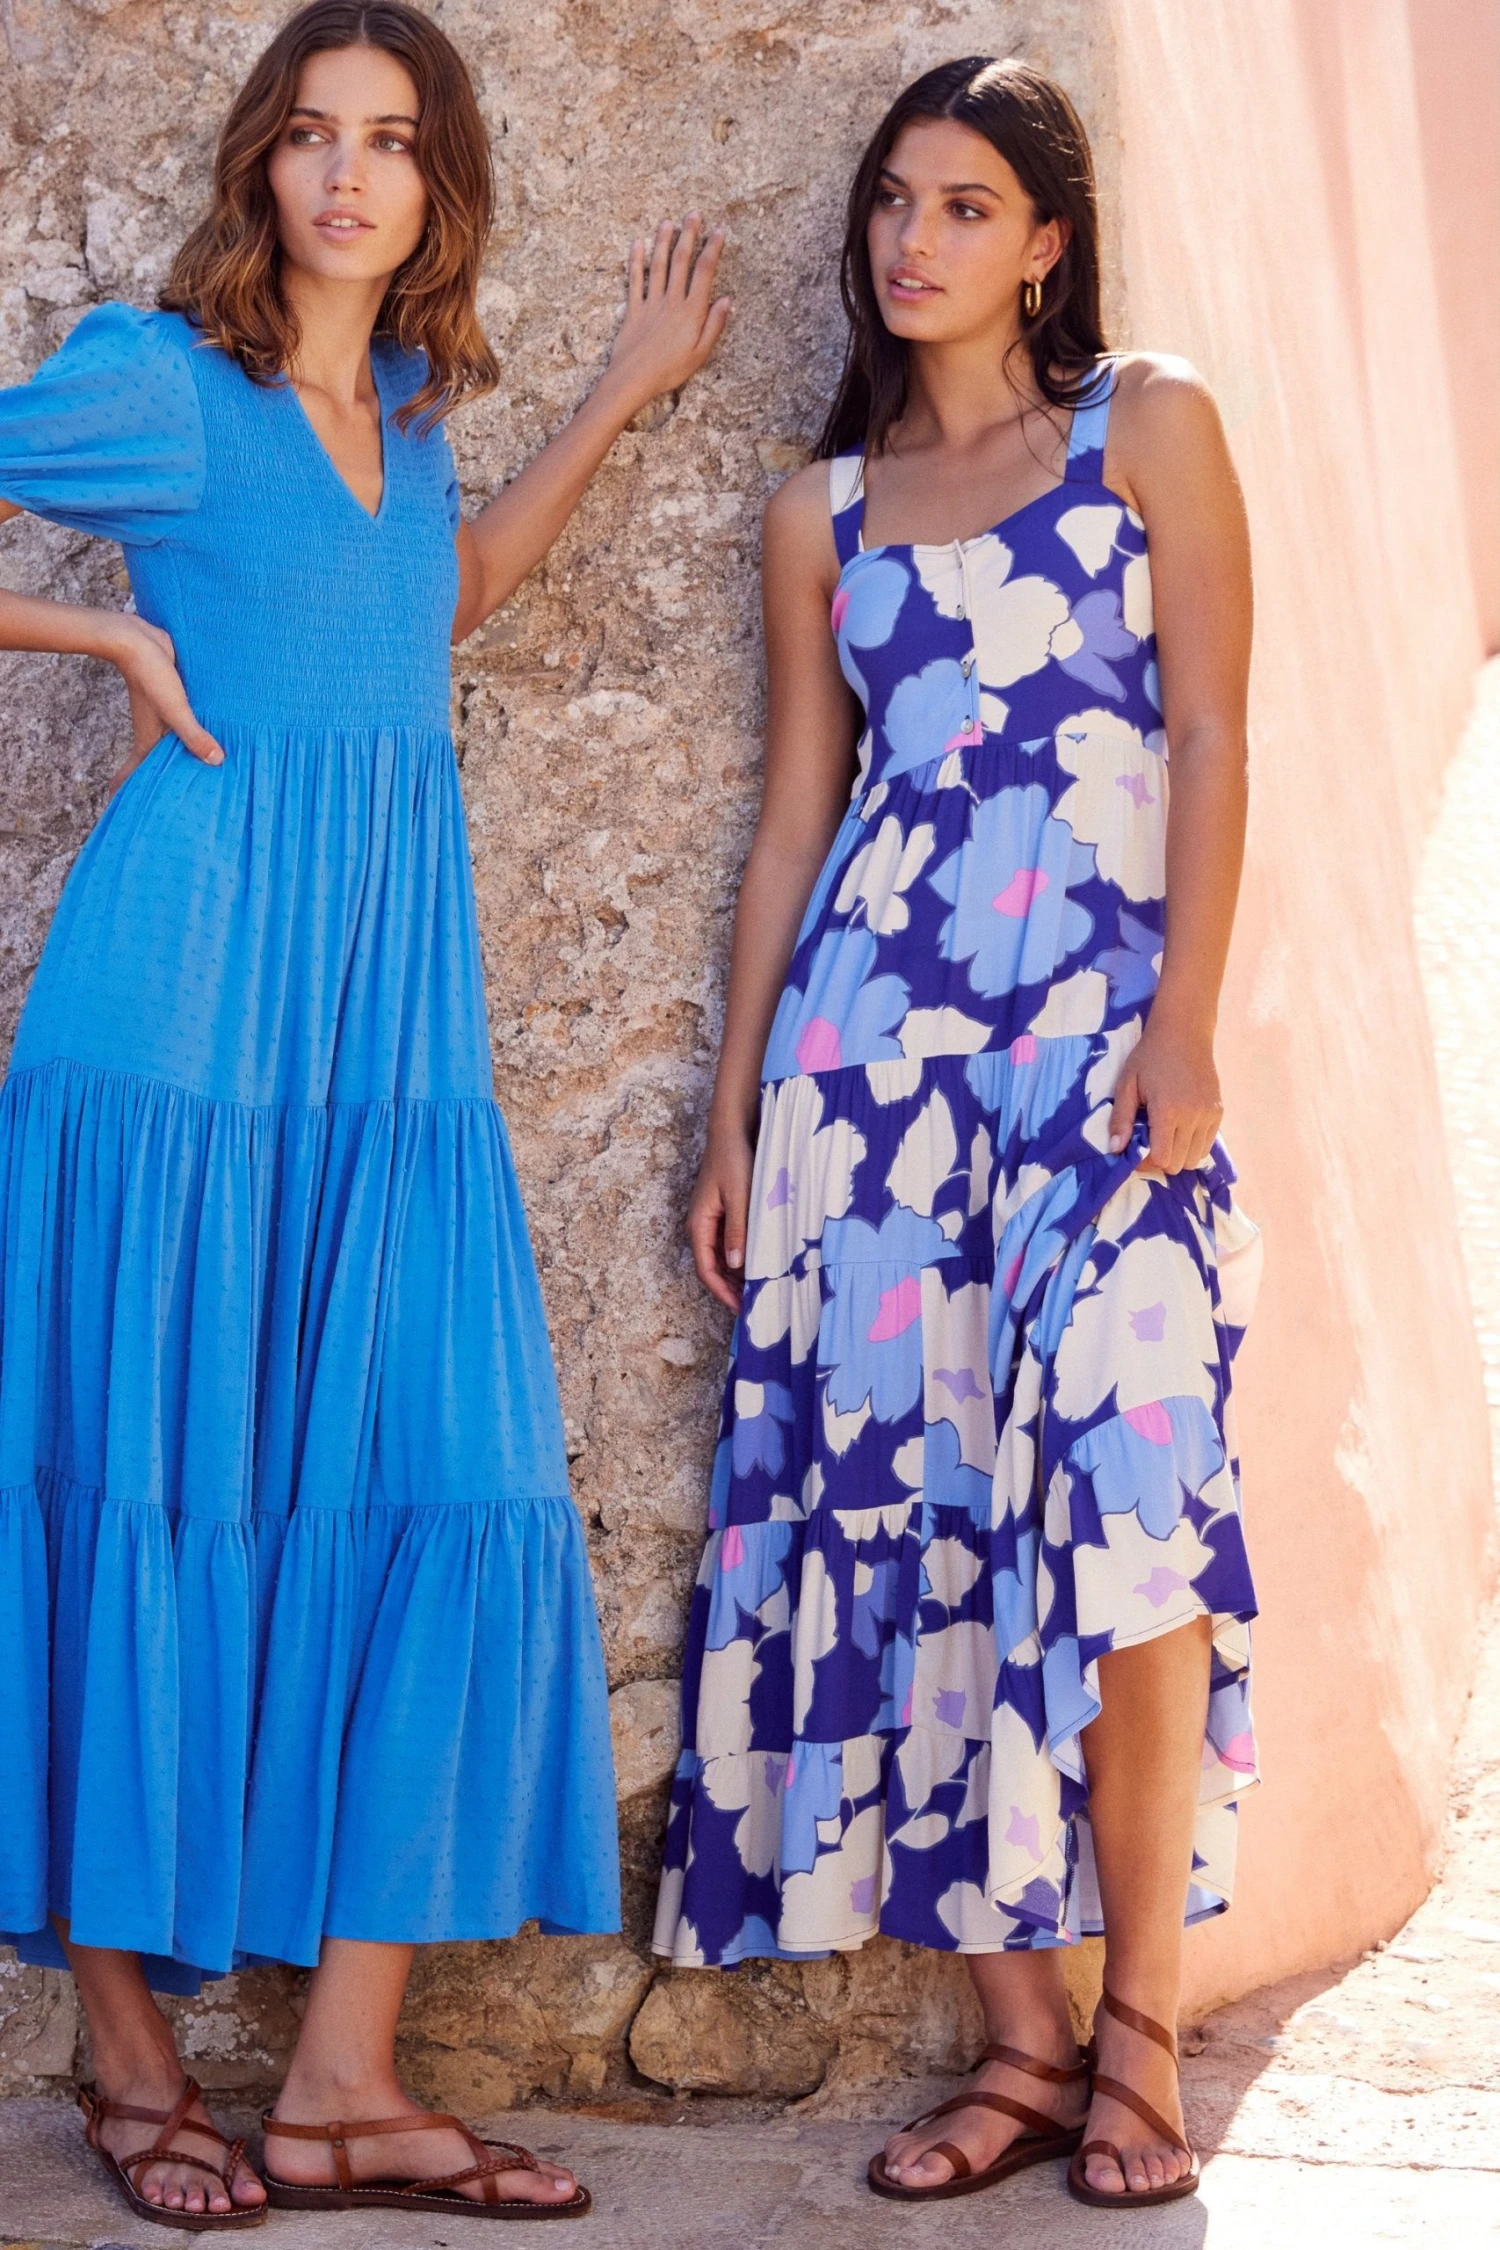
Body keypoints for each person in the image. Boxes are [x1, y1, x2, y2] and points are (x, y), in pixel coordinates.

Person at [0, 0, 727, 2226]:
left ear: (436, 184)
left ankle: (336, 2086)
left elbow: (442, 601)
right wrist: (106, 647)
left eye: (392, 140)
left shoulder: (407, 410)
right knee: (137, 1487)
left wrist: (614, 395)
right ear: (262, 159)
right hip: (178, 1029)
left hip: (387, 1044)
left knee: (451, 1477)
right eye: (312, 132)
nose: (346, 173)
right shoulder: (161, 382)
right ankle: (130, 2056)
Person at [654, 54, 1261, 2211]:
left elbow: (1211, 730)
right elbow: (794, 823)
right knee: (920, 1526)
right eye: (896, 202)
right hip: (870, 1085)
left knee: (1131, 1506)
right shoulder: (818, 515)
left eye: (969, 205)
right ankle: (1021, 2043)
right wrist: (734, 1114)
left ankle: (1143, 2032)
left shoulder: (1146, 428)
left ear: (1047, 241)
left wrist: (1186, 1024)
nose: (917, 241)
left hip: (1097, 1061)